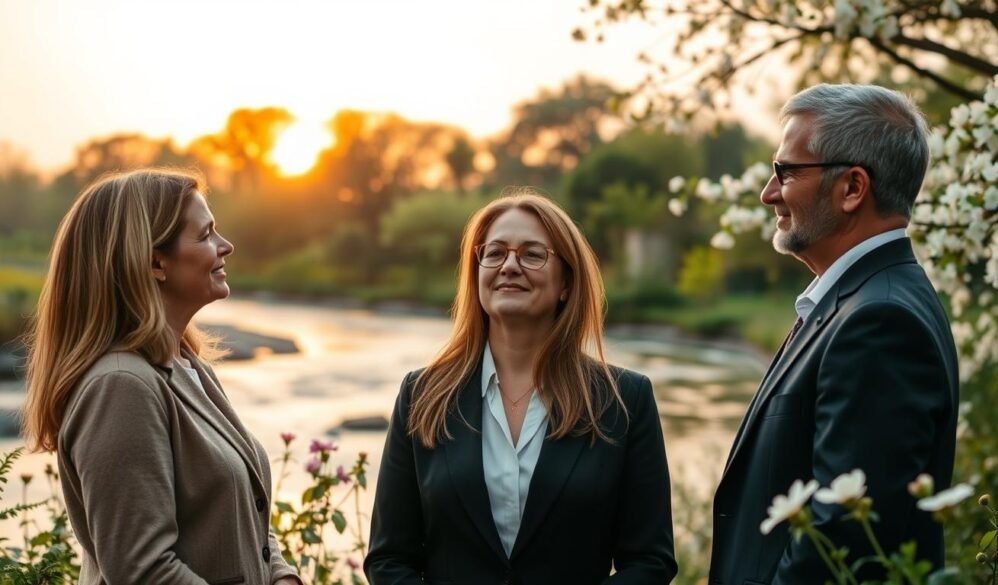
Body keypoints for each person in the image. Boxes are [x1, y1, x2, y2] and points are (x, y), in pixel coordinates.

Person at [709, 84, 959, 584]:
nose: (768, 193)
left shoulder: (880, 321)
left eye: (786, 172)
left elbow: (841, 540)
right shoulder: (857, 302)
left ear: (852, 188)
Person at [365, 190, 677, 584]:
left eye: (532, 254)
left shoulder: (625, 400)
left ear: (566, 282)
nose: (509, 266)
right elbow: (389, 559)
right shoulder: (421, 395)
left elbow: (650, 561)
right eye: (494, 253)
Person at [24, 169, 302, 585]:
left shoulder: (190, 367)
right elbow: (143, 570)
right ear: (156, 262)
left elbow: (242, 515)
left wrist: (282, 576)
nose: (226, 246)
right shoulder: (120, 387)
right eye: (206, 234)